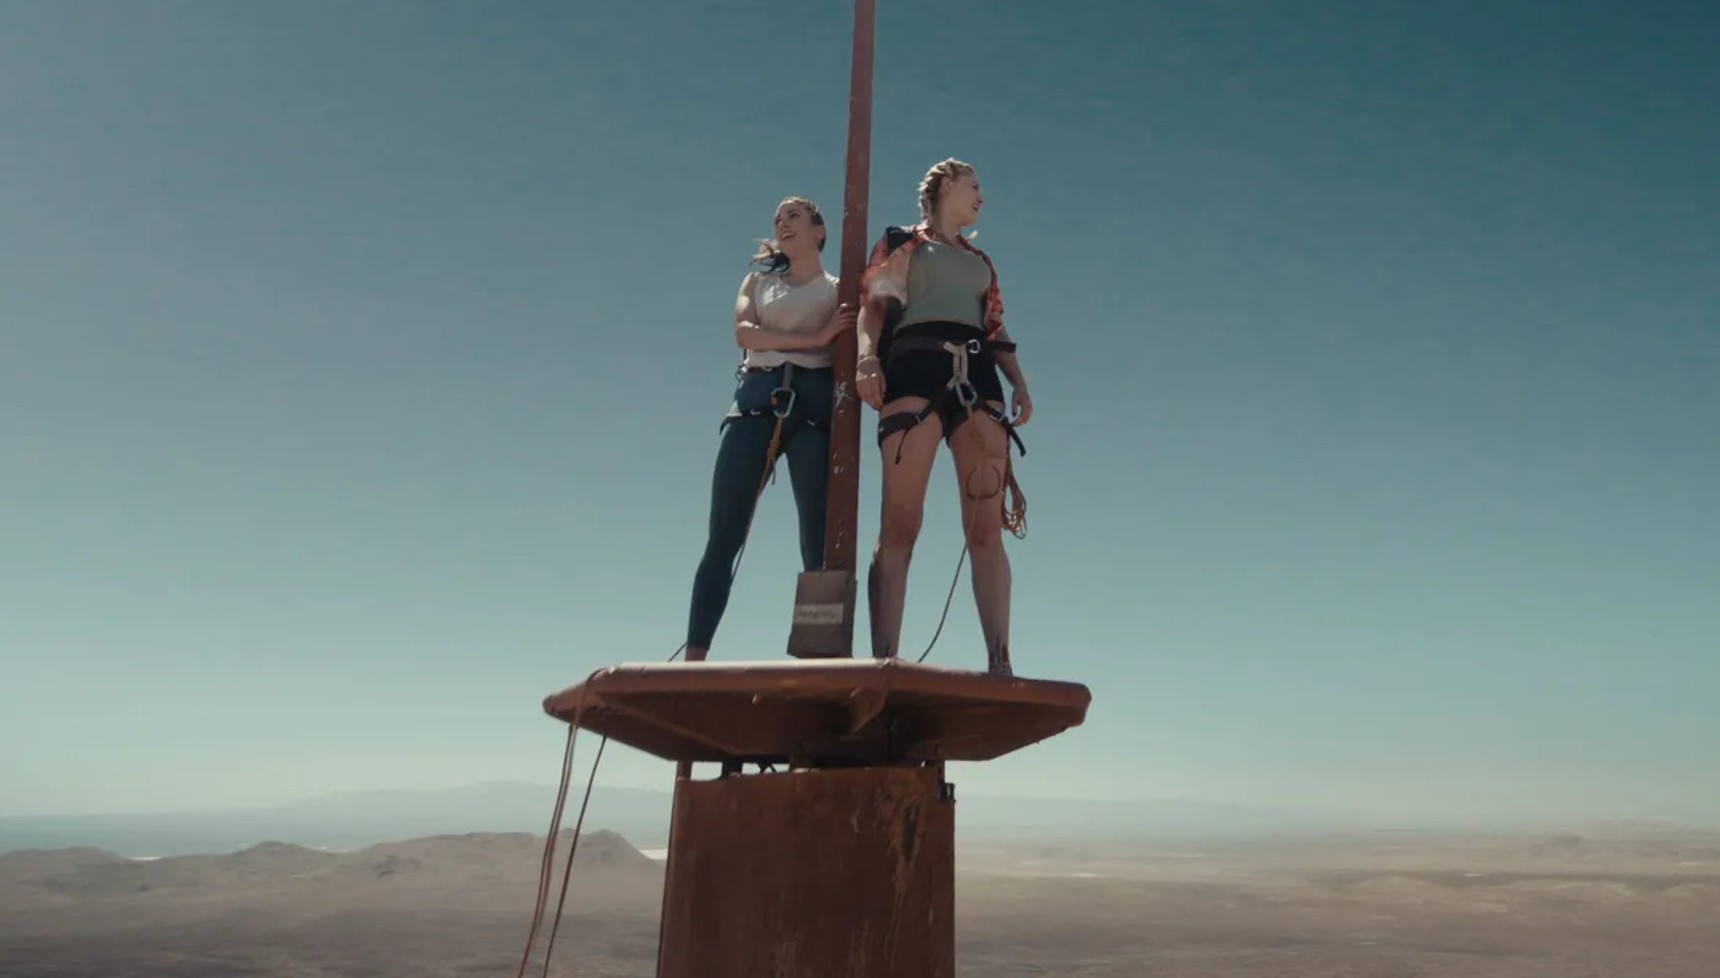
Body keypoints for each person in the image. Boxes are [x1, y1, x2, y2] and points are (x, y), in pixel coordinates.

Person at [855, 158, 1032, 677]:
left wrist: (1020, 383)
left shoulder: (982, 261)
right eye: (975, 185)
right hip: (915, 364)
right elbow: (874, 306)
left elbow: (995, 325)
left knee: (986, 527)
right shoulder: (902, 242)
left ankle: (1000, 659)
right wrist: (867, 357)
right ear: (947, 184)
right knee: (901, 521)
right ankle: (884, 658)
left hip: (979, 370)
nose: (982, 196)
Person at [683, 197, 856, 661]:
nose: (783, 224)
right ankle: (695, 655)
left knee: (817, 539)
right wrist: (814, 340)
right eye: (778, 220)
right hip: (756, 403)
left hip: (813, 411)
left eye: (794, 216)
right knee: (724, 533)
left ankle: (820, 655)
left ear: (819, 231)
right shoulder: (758, 280)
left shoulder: (838, 290)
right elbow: (745, 333)